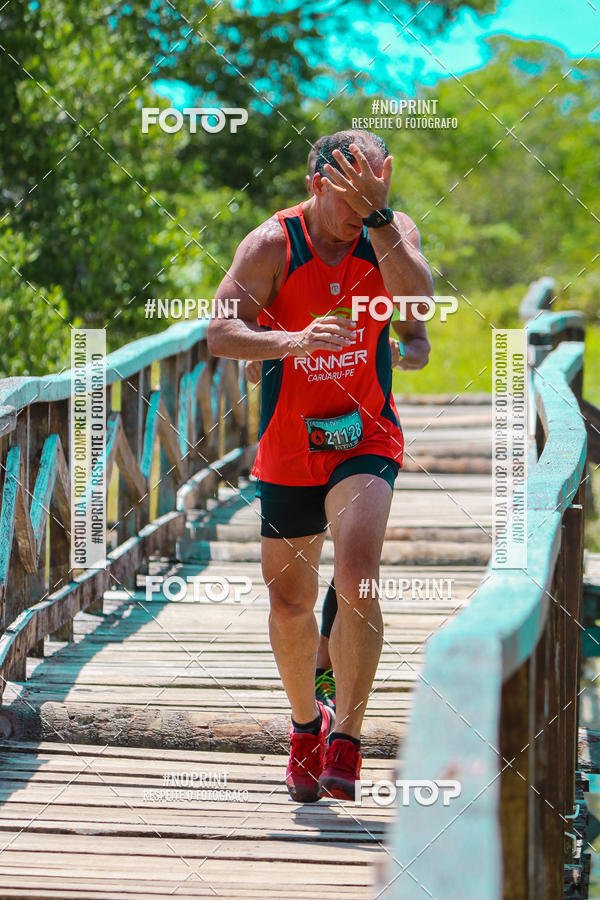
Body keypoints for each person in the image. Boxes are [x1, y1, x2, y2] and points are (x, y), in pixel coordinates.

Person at [208, 129, 432, 802]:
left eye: (373, 192)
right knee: (290, 601)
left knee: (358, 574)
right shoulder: (272, 244)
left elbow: (419, 309)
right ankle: (307, 724)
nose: (359, 209)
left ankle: (350, 738)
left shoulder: (388, 230)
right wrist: (292, 340)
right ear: (316, 184)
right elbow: (220, 331)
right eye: (349, 196)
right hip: (289, 445)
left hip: (366, 436)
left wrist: (382, 222)